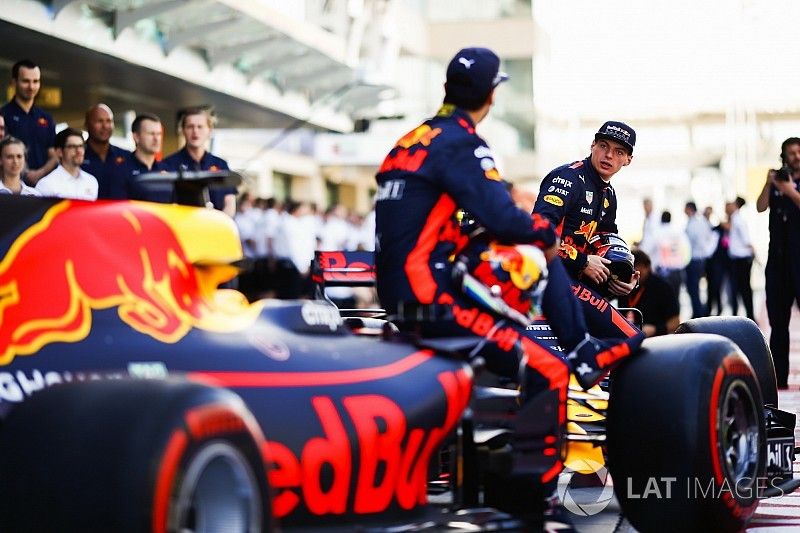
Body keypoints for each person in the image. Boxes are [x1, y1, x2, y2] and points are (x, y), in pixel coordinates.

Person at [375, 46, 642, 528]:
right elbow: (503, 215)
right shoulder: (461, 142)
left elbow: (463, 219)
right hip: (429, 296)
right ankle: (533, 504)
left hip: (408, 289)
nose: (609, 156)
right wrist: (549, 243)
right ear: (492, 96)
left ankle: (579, 354)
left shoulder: (410, 139)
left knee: (526, 258)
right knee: (550, 364)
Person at [532, 120, 642, 339]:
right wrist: (582, 262)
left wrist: (620, 276)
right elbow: (537, 234)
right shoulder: (567, 179)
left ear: (628, 160)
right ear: (592, 145)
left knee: (626, 333)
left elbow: (605, 245)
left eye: (618, 151)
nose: (608, 155)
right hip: (549, 279)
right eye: (603, 146)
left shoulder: (608, 194)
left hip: (574, 282)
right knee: (631, 338)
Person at [757, 137, 800, 389]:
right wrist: (768, 184)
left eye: (799, 152)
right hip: (778, 261)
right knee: (778, 323)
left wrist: (789, 190)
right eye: (791, 153)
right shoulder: (776, 182)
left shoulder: (788, 186)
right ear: (783, 156)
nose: (796, 157)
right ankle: (779, 379)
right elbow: (761, 207)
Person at [161, 106, 236, 216]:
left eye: (200, 127)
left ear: (209, 130)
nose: (195, 131)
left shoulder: (221, 165)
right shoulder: (168, 164)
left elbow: (230, 204)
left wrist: (220, 224)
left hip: (215, 229)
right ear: (183, 130)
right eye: (190, 127)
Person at [0, 60, 58, 185]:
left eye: (35, 81)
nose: (31, 87)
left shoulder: (46, 118)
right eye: (25, 81)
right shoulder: (3, 115)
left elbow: (54, 154)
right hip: (10, 188)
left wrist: (39, 174)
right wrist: (25, 173)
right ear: (14, 82)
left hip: (43, 188)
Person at [620, 250, 680, 337]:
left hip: (655, 339)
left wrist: (655, 330)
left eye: (637, 268)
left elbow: (675, 322)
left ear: (647, 267)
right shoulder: (623, 283)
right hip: (627, 335)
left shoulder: (662, 287)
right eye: (631, 269)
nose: (634, 273)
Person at [81, 103, 132, 199]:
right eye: (99, 121)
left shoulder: (127, 156)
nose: (105, 126)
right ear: (87, 124)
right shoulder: (78, 156)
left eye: (109, 121)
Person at [35, 128, 98, 200]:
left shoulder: (92, 181)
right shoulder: (46, 185)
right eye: (73, 146)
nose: (79, 151)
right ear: (59, 152)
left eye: (81, 146)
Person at [641, 210, 690, 298]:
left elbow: (646, 250)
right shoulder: (679, 232)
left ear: (661, 219)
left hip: (662, 271)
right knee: (675, 299)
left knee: (663, 300)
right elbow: (687, 249)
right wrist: (683, 264)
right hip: (677, 270)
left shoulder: (657, 232)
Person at [124, 113, 166, 201]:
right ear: (136, 137)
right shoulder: (121, 170)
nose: (156, 139)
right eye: (151, 134)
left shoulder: (167, 169)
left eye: (159, 134)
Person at [684, 201, 716, 317]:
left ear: (689, 209)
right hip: (701, 258)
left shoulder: (693, 223)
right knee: (695, 288)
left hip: (694, 259)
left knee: (693, 288)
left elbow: (690, 241)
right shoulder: (702, 222)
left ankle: (698, 313)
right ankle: (699, 311)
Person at [727, 197, 755, 321]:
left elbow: (746, 239)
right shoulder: (734, 219)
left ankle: (750, 315)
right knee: (738, 289)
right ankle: (740, 315)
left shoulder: (738, 220)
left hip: (741, 259)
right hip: (737, 259)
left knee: (744, 289)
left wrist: (753, 250)